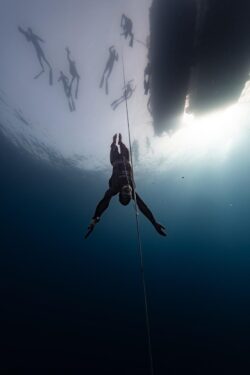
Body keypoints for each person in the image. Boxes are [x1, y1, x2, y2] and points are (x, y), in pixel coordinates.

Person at [85, 133, 166, 238]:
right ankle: (120, 142)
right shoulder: (132, 192)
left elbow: (104, 203)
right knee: (124, 148)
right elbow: (142, 206)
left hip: (114, 161)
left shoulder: (114, 189)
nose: (128, 191)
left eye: (125, 194)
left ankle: (114, 142)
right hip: (126, 159)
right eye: (129, 194)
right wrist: (154, 223)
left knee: (113, 147)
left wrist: (95, 218)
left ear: (120, 194)